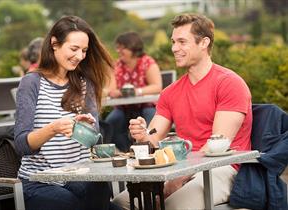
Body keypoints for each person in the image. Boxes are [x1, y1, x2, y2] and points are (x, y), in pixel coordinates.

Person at [113, 13, 252, 210]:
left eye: (181, 42)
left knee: (173, 205)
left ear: (204, 43)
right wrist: (142, 134)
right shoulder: (170, 92)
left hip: (223, 168)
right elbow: (153, 138)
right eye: (173, 42)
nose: (174, 48)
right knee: (122, 204)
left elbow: (216, 147)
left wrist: (178, 178)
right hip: (181, 167)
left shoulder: (229, 84)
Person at [14, 16, 119, 210]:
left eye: (84, 51)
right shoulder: (32, 83)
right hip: (40, 181)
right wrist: (53, 129)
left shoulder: (84, 82)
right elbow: (21, 145)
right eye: (74, 49)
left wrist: (85, 128)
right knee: (69, 204)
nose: (80, 56)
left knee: (101, 190)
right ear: (54, 43)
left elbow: (94, 140)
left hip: (80, 175)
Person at [104, 32, 162, 152]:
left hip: (147, 105)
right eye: (118, 47)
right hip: (123, 108)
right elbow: (111, 89)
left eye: (122, 47)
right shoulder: (117, 65)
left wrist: (137, 91)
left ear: (133, 47)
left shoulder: (148, 63)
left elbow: (157, 87)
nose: (118, 50)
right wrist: (114, 92)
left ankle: (151, 150)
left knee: (151, 120)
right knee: (111, 123)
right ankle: (127, 150)